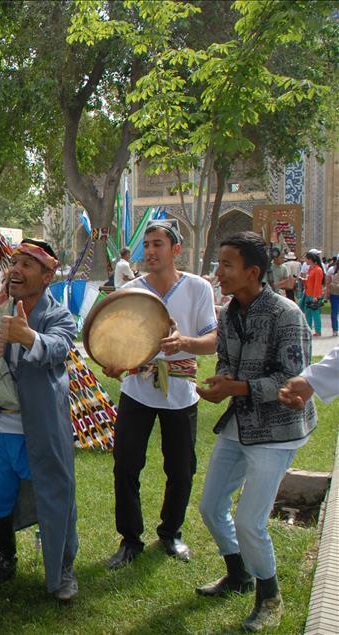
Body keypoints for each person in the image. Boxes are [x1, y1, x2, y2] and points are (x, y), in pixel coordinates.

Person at [195, 231, 316, 632]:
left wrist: (241, 388)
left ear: (253, 271)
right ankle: (239, 573)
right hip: (239, 424)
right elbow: (227, 360)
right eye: (219, 264)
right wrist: (221, 383)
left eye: (226, 265)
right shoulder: (230, 311)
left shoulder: (287, 314)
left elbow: (293, 377)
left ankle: (270, 596)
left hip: (279, 429)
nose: (218, 273)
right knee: (212, 507)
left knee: (250, 520)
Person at [0, 239, 79, 601]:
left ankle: (62, 569)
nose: (15, 269)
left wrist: (27, 336)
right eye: (14, 262)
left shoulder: (58, 315)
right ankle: (5, 561)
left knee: (55, 496)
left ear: (47, 276)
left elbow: (60, 346)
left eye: (27, 265)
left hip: (42, 428)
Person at [104, 220, 218, 569]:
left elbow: (213, 341)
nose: (150, 252)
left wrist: (184, 343)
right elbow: (117, 341)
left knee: (181, 469)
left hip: (181, 392)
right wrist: (115, 363)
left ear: (175, 250)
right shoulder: (132, 290)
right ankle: (130, 539)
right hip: (137, 390)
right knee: (126, 465)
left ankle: (171, 532)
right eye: (147, 246)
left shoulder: (198, 288)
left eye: (158, 245)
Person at [301, 251, 325, 336]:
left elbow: (317, 284)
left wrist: (315, 296)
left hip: (314, 295)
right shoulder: (310, 269)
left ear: (310, 259)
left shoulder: (318, 270)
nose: (305, 261)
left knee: (315, 313)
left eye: (306, 259)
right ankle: (308, 329)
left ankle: (318, 331)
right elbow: (309, 281)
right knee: (308, 313)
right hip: (308, 293)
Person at [327, 255, 339, 337]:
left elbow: (328, 282)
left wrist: (327, 293)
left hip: (334, 293)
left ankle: (335, 330)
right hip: (334, 293)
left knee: (334, 312)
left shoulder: (332, 269)